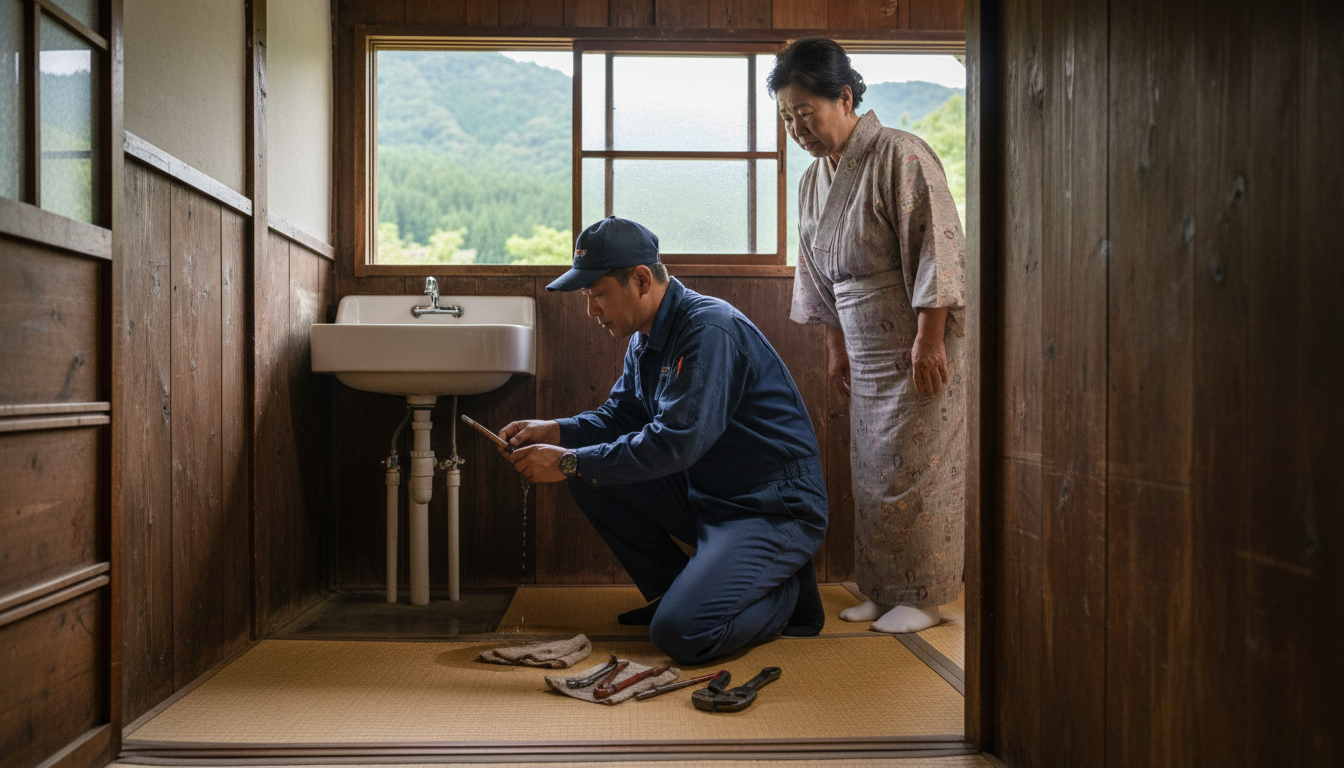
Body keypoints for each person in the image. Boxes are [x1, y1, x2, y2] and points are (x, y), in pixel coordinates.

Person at [498, 216, 830, 664]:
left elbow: (675, 443)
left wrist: (568, 460)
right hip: (710, 495)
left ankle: (785, 593)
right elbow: (621, 416)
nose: (591, 311)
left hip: (770, 507)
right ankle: (683, 591)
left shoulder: (708, 330)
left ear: (640, 279)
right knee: (590, 475)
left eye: (597, 295)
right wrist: (556, 431)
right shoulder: (645, 337)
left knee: (681, 634)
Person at [769, 38, 966, 634]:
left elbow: (938, 247)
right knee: (875, 470)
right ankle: (882, 590)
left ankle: (925, 597)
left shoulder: (901, 154)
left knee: (920, 468)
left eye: (805, 113)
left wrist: (930, 338)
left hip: (916, 338)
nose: (797, 128)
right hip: (861, 342)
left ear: (845, 97)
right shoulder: (812, 183)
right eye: (787, 118)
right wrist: (835, 348)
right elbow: (814, 270)